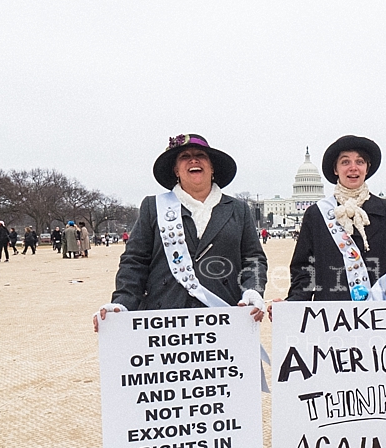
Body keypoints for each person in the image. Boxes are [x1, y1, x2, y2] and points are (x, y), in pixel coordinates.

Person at [94, 133, 267, 332]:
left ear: (212, 168)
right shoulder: (153, 207)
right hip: (167, 320)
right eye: (185, 156)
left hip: (225, 315)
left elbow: (253, 259)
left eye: (201, 155)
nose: (193, 160)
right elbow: (135, 261)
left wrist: (253, 290)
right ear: (176, 170)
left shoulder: (238, 209)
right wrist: (123, 302)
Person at [280, 135, 386, 307]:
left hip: (379, 312)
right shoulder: (316, 214)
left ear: (367, 168)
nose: (353, 168)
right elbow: (304, 268)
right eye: (345, 162)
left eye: (360, 161)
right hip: (331, 312)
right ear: (335, 169)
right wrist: (294, 301)